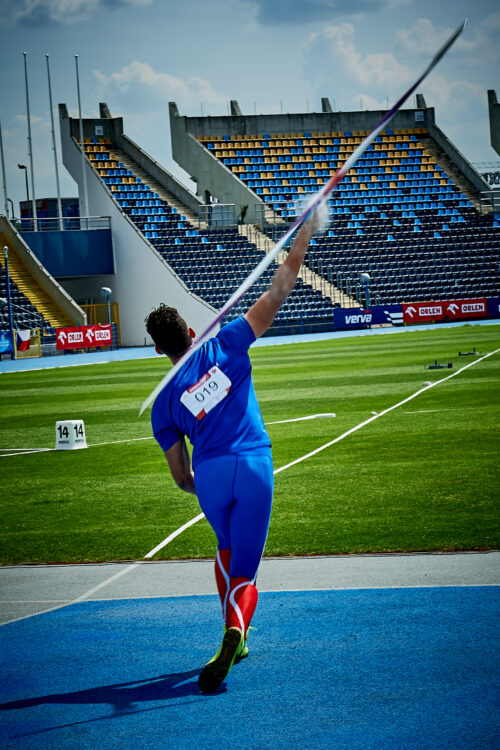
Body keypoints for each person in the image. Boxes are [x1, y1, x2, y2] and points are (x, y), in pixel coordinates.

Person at [145, 206, 324, 693]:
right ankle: (235, 630)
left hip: (211, 477)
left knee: (223, 551)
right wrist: (302, 235)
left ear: (161, 349)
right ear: (188, 331)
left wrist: (197, 486)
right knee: (244, 572)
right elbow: (280, 289)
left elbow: (180, 476)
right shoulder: (227, 341)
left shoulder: (163, 401)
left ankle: (235, 640)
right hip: (254, 464)